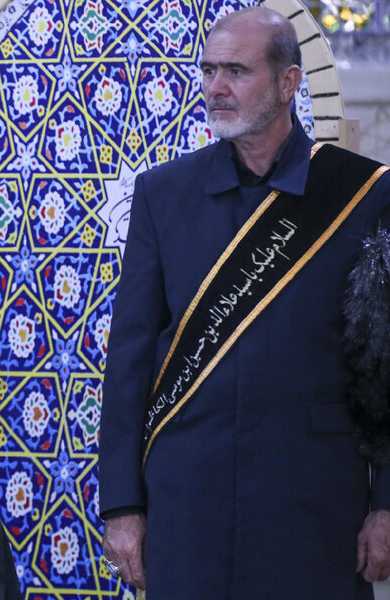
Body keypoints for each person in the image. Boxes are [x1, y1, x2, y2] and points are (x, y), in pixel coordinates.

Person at [98, 7, 390, 599]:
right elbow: (129, 359)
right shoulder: (162, 193)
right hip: (187, 502)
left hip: (314, 502)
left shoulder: (363, 193)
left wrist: (386, 504)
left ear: (288, 82)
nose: (216, 88)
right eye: (209, 71)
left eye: (236, 71)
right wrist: (122, 505)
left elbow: (385, 366)